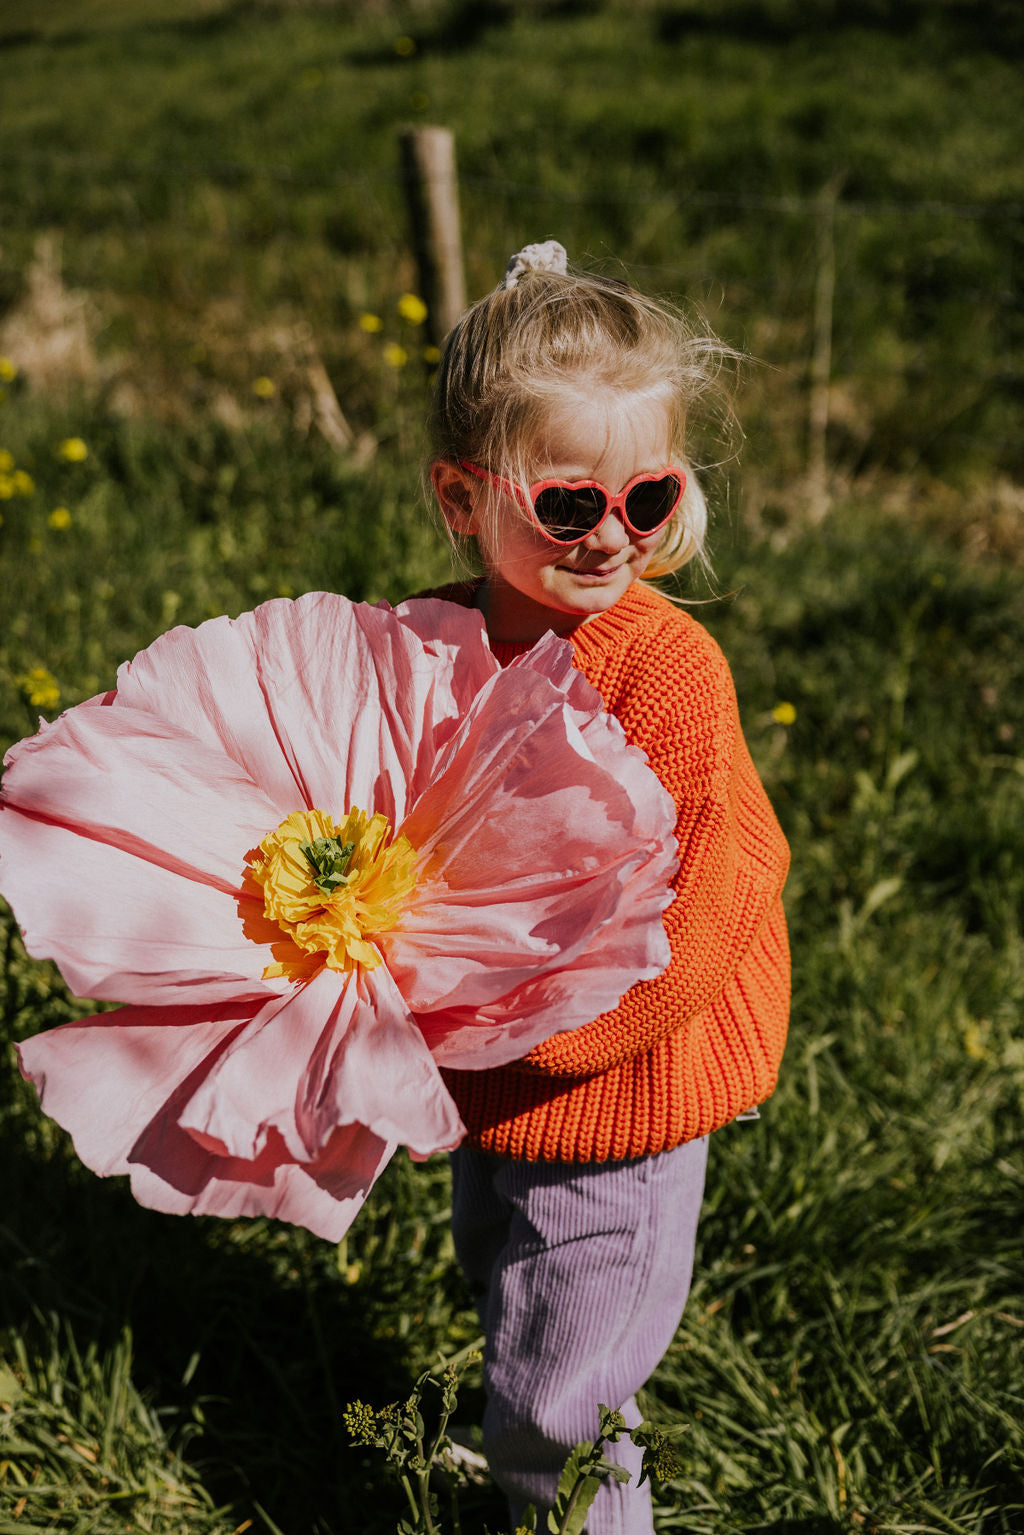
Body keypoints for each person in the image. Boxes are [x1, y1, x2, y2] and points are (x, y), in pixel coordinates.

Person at [421, 241, 791, 1535]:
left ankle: (567, 1499)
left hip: (628, 1079)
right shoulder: (428, 643)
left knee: (571, 1363)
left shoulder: (667, 674)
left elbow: (687, 940)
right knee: (506, 1277)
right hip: (496, 1071)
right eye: (570, 505)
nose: (615, 536)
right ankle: (525, 1435)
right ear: (464, 498)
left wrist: (526, 1037)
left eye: (651, 498)